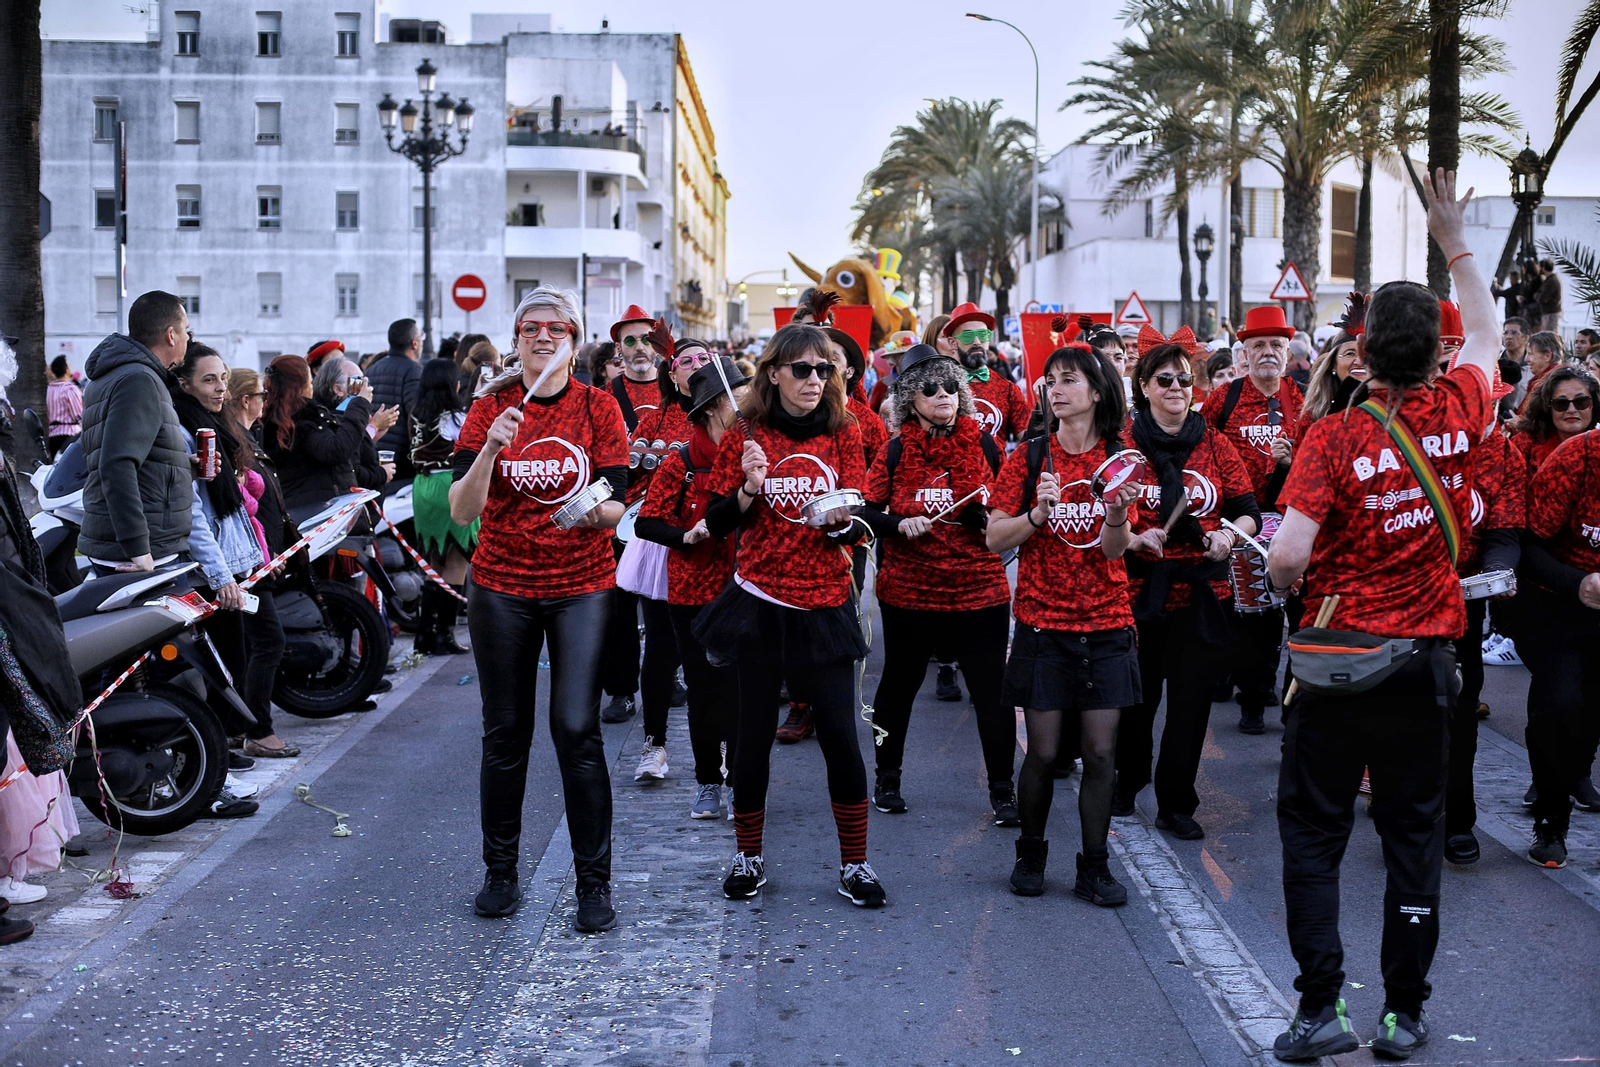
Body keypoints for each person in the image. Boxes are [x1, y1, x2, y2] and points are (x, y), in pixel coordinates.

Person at [1265, 168, 1499, 1061]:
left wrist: (1286, 580)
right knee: (1411, 836)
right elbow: (1487, 330)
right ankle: (1403, 1013)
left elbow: (1288, 556)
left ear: (1360, 352)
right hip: (1425, 660)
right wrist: (1453, 240)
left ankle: (1320, 1007)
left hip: (1335, 663)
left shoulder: (1332, 437)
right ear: (1437, 354)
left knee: (1314, 834)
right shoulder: (1465, 406)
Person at [450, 286, 629, 932]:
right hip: (502, 585)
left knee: (576, 727)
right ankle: (501, 871)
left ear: (574, 341)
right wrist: (490, 449)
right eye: (532, 327)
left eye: (558, 328)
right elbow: (462, 511)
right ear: (517, 338)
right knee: (505, 732)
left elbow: (618, 502)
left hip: (582, 583)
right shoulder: (490, 408)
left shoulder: (598, 406)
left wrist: (589, 511)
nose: (544, 336)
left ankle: (593, 882)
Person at [691, 323, 884, 908]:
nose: (814, 379)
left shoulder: (845, 430)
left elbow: (861, 515)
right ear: (773, 373)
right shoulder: (746, 433)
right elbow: (715, 522)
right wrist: (749, 489)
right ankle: (748, 856)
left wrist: (843, 525)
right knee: (751, 737)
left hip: (824, 603)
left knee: (841, 738)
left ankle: (855, 864)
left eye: (824, 369)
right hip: (760, 602)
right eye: (802, 369)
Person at [985, 342, 1140, 905]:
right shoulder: (1029, 457)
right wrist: (1036, 514)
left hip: (1106, 623)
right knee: (1045, 754)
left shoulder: (1121, 458)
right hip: (1042, 625)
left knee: (1099, 754)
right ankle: (1030, 854)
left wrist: (1117, 514)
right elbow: (994, 538)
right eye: (1050, 381)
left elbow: (1116, 551)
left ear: (1097, 391)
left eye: (1068, 379)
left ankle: (1094, 867)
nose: (1056, 389)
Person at [856, 343, 1015, 822]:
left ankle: (1003, 790)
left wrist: (985, 518)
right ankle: (887, 778)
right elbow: (865, 511)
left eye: (950, 385)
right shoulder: (895, 450)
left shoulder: (986, 446)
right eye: (930, 388)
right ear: (910, 399)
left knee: (991, 690)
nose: (943, 394)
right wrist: (897, 523)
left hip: (979, 588)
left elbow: (1010, 508)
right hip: (910, 591)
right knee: (898, 686)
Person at [1113, 334, 1260, 830]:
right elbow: (1102, 511)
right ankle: (1127, 780)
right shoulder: (1123, 444)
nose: (1176, 387)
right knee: (1136, 701)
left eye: (1184, 378)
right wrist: (1134, 537)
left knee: (1190, 706)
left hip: (1203, 594)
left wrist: (1227, 535)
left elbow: (1248, 511)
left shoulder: (1215, 442)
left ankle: (1176, 803)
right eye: (1164, 379)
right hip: (1138, 593)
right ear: (1144, 386)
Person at [169, 344, 295, 765]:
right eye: (209, 379)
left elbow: (236, 504)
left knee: (235, 657)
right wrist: (223, 575)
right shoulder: (186, 430)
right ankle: (225, 746)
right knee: (230, 659)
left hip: (238, 558)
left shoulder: (214, 425)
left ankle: (227, 744)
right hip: (215, 567)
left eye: (222, 378)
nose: (219, 387)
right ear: (184, 383)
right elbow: (196, 516)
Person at [635, 357, 749, 819]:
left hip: (746, 589)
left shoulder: (754, 455)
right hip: (692, 593)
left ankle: (741, 781)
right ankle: (707, 782)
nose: (747, 407)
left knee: (743, 690)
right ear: (714, 407)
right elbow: (645, 523)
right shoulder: (680, 463)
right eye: (739, 399)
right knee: (703, 692)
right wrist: (686, 535)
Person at [1202, 304, 1302, 726]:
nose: (1268, 352)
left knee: (1293, 612)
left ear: (1287, 351)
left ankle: (1291, 704)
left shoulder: (1302, 397)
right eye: (1258, 345)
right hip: (1240, 521)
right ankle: (1252, 699)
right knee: (1250, 613)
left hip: (1291, 518)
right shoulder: (1224, 398)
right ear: (1244, 353)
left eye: (1276, 345)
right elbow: (1201, 447)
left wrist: (1293, 462)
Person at [1445, 353, 1523, 866]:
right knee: (1403, 707)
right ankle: (1399, 813)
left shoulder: (1506, 454)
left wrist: (1496, 571)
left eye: (1490, 404)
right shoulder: (1420, 441)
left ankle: (1457, 820)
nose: (1482, 414)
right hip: (1404, 595)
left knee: (1462, 703)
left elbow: (1506, 530)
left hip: (1466, 598)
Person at [1520, 391, 1600, 870]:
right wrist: (1579, 583)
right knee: (1561, 706)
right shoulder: (1579, 457)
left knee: (1590, 714)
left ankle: (1575, 776)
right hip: (1558, 605)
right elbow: (1526, 546)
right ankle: (1551, 821)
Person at [615, 328, 699, 778]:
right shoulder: (655, 422)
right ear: (673, 374)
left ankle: (720, 753)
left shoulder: (736, 419)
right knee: (662, 648)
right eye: (687, 361)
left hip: (716, 545)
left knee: (717, 650)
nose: (697, 366)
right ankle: (655, 744)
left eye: (704, 359)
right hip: (663, 543)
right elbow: (630, 482)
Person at [79, 290, 193, 573]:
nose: (188, 338)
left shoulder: (122, 375)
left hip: (131, 543)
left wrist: (183, 466)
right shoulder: (139, 380)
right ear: (171, 335)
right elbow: (116, 464)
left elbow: (132, 455)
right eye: (186, 330)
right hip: (142, 552)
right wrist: (139, 549)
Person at [599, 307, 668, 725]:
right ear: (618, 349)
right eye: (630, 340)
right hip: (618, 514)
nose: (639, 347)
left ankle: (668, 677)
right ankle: (621, 691)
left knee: (665, 604)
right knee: (619, 609)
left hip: (665, 515)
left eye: (646, 339)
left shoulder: (675, 391)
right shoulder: (603, 397)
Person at [409, 357, 477, 656]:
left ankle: (425, 633)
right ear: (453, 385)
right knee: (458, 559)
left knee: (435, 560)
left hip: (422, 486)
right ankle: (445, 634)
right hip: (449, 483)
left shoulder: (416, 414)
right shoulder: (457, 417)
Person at [260, 356, 373, 509]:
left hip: (309, 507)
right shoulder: (303, 418)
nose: (312, 386)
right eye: (310, 381)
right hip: (320, 513)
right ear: (299, 387)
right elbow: (336, 449)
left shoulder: (278, 418)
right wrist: (361, 404)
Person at [1510, 365, 1598, 473]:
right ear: (1547, 407)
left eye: (1581, 401)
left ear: (1594, 404)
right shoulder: (1524, 446)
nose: (1571, 410)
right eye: (1561, 403)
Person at [367, 319, 423, 479]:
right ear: (414, 343)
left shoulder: (372, 370)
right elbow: (416, 414)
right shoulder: (413, 370)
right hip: (402, 459)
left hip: (373, 451)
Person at [45, 356, 82, 459]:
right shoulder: (70, 389)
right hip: (70, 434)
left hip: (53, 434)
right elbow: (78, 415)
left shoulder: (49, 388)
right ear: (66, 370)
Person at [1537, 257, 1562, 333]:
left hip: (1551, 312)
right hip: (1549, 311)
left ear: (1543, 268)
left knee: (1550, 333)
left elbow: (1542, 298)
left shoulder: (1551, 281)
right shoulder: (1549, 280)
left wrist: (1538, 296)